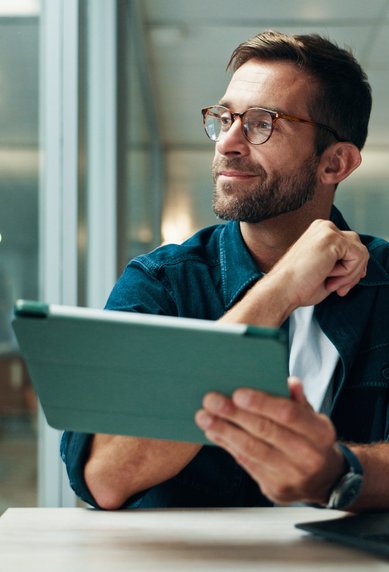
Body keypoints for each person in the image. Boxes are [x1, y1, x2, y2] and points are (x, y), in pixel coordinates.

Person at [61, 30, 389, 512]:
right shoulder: (161, 284)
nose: (228, 143)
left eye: (262, 123)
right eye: (225, 118)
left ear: (335, 162)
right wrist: (276, 292)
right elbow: (102, 477)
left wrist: (335, 472)